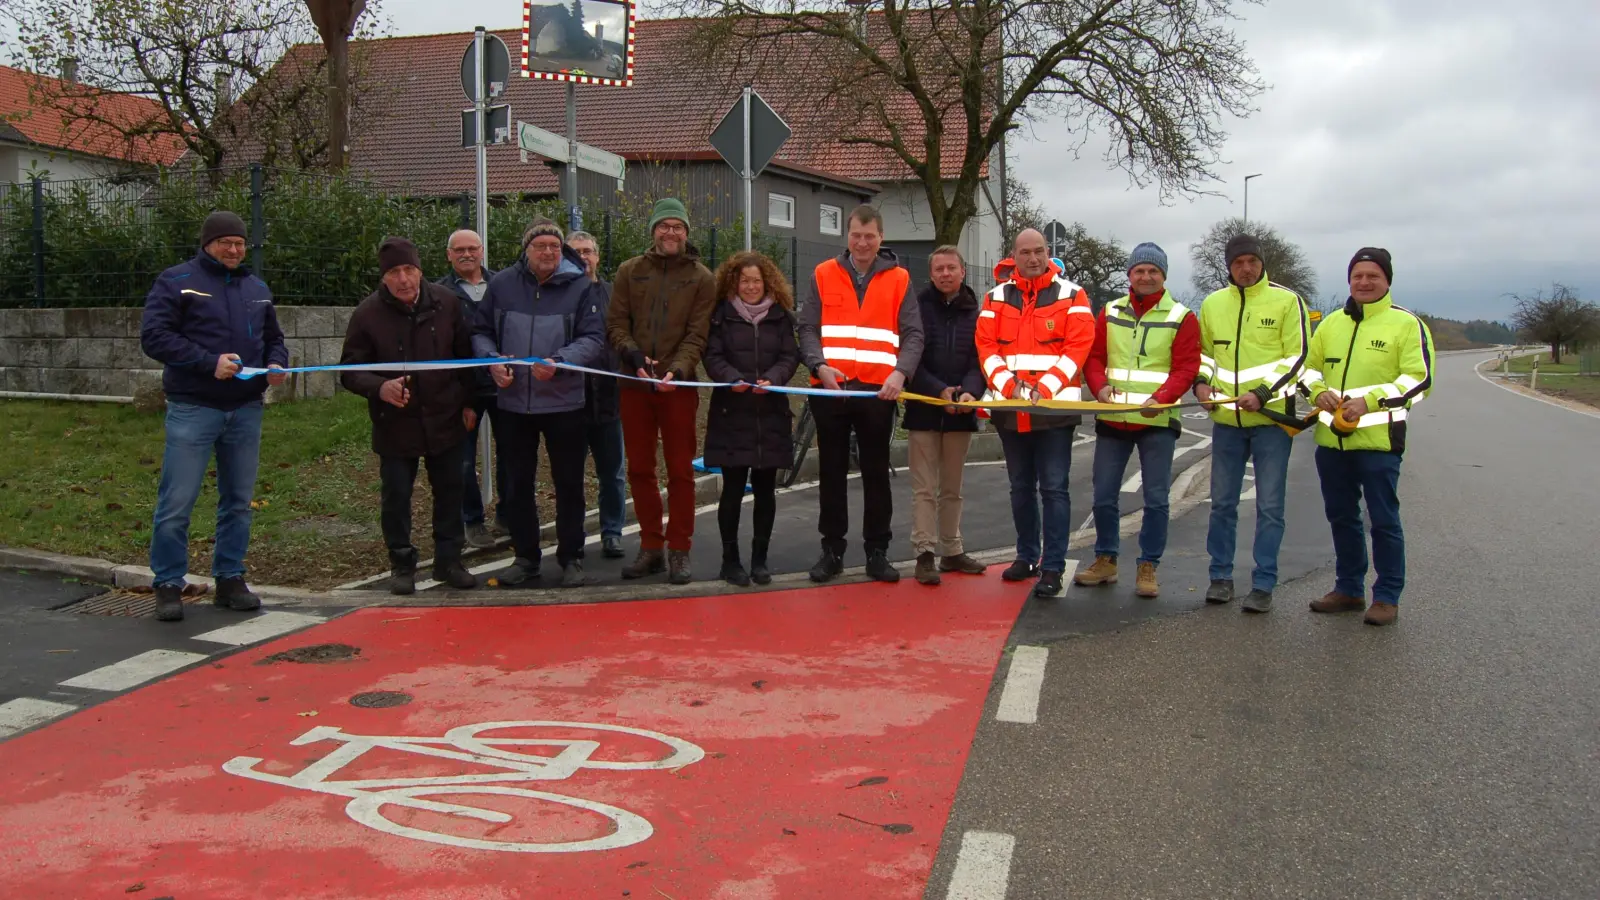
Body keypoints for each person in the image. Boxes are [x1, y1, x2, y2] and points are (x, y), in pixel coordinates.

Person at [139, 210, 288, 621]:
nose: (235, 250)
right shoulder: (176, 281)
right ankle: (168, 583)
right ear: (208, 244)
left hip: (245, 408)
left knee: (238, 501)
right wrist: (208, 363)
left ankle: (230, 578)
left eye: (240, 243)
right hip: (194, 407)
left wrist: (276, 363)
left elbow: (274, 338)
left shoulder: (257, 288)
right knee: (178, 501)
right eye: (226, 243)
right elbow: (154, 337)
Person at [339, 237, 479, 595]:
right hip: (395, 423)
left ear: (420, 270)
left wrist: (470, 404)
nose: (403, 279)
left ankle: (450, 561)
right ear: (383, 277)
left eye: (409, 270)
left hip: (445, 418)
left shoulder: (447, 303)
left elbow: (466, 359)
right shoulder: (367, 314)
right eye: (394, 273)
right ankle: (402, 565)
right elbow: (349, 370)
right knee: (397, 496)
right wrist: (380, 387)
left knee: (451, 491)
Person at [475, 218, 608, 588]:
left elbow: (593, 339)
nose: (548, 251)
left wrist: (561, 361)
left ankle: (572, 557)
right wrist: (492, 361)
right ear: (526, 249)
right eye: (540, 245)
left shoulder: (581, 286)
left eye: (554, 245)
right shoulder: (501, 284)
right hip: (514, 404)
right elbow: (481, 331)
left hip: (565, 402)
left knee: (569, 484)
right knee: (517, 484)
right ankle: (525, 558)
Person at [1305, 248, 1433, 627]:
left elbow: (1419, 380)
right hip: (1332, 442)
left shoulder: (1406, 324)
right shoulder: (1331, 324)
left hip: (1379, 443)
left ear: (1387, 281)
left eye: (1372, 276)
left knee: (1383, 520)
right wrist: (1317, 392)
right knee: (1341, 517)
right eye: (1357, 276)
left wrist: (1370, 401)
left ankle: (1387, 596)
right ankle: (1348, 589)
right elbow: (1308, 370)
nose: (1364, 282)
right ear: (1349, 281)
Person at [798, 204, 924, 584]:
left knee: (876, 474)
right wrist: (819, 366)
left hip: (877, 393)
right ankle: (832, 550)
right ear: (847, 236)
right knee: (831, 473)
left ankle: (877, 551)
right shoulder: (823, 273)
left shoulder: (900, 279)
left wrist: (900, 373)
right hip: (830, 389)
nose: (863, 242)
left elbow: (913, 334)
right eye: (856, 235)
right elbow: (807, 328)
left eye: (870, 236)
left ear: (881, 238)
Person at [1194, 234, 1311, 614]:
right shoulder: (1212, 304)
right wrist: (1201, 383)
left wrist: (1262, 393)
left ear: (1262, 263)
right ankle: (1220, 577)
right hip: (1227, 421)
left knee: (1270, 506)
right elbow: (1205, 353)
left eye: (1252, 262)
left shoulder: (1287, 301)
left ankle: (1263, 584)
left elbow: (1298, 357)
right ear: (1229, 266)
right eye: (1239, 263)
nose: (1246, 269)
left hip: (1271, 421)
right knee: (1222, 504)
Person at [1075, 242, 1200, 599]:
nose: (1146, 277)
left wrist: (1161, 398)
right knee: (1103, 496)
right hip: (1113, 419)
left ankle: (1148, 565)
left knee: (1156, 499)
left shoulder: (1182, 317)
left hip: (1157, 421)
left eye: (1153, 271)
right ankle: (1106, 559)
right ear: (1129, 274)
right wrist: (1099, 387)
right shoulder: (1110, 311)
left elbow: (1187, 367)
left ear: (1163, 276)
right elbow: (1094, 357)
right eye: (1139, 270)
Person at [976, 228, 1094, 599]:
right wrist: (1010, 387)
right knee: (1021, 487)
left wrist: (1044, 389)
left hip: (1054, 410)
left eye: (1039, 251)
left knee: (1055, 488)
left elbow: (1077, 348)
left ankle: (1053, 566)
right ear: (1013, 256)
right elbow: (986, 348)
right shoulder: (995, 298)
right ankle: (1026, 556)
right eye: (1025, 252)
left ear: (1047, 253)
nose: (1033, 258)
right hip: (1012, 410)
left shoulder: (1072, 295)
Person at [606, 198, 717, 584]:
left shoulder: (702, 278)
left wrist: (678, 369)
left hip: (677, 386)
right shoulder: (629, 271)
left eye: (678, 227)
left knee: (680, 470)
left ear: (686, 233)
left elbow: (698, 333)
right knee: (640, 469)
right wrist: (633, 355)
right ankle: (650, 546)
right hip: (634, 382)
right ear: (653, 230)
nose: (671, 232)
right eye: (664, 226)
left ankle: (679, 548)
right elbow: (616, 323)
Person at [702, 251, 801, 586]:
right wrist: (732, 378)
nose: (750, 286)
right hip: (732, 414)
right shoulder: (720, 316)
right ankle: (730, 561)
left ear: (767, 282)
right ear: (734, 282)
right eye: (744, 280)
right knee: (731, 490)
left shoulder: (781, 316)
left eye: (756, 280)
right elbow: (711, 356)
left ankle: (760, 560)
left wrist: (774, 378)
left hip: (770, 415)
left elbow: (790, 356)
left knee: (765, 491)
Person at [904, 245, 987, 586]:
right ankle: (925, 553)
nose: (945, 274)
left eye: (951, 268)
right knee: (924, 489)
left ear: (962, 271)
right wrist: (939, 390)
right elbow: (911, 358)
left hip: (961, 412)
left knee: (953, 488)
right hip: (923, 410)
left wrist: (969, 393)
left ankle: (952, 550)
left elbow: (980, 361)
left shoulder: (976, 313)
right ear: (931, 274)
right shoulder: (916, 309)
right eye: (939, 269)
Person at [435, 228, 502, 549]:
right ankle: (472, 521)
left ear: (482, 251)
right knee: (462, 461)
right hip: (461, 390)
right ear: (449, 255)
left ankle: (508, 515)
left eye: (472, 248)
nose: (466, 254)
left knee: (513, 456)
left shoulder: (502, 285)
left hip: (503, 384)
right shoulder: (439, 293)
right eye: (459, 250)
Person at [567, 230, 626, 560]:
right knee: (570, 475)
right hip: (568, 400)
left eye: (588, 251)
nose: (583, 257)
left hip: (608, 398)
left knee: (612, 472)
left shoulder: (613, 295)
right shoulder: (559, 296)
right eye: (576, 252)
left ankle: (612, 532)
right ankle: (573, 536)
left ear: (598, 257)